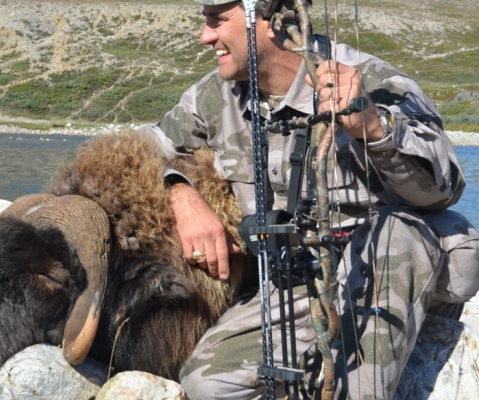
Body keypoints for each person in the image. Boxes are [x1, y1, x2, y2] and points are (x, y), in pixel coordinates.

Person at [138, 0, 479, 399]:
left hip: (398, 259)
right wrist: (180, 194)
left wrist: (371, 124)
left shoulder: (371, 79)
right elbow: (145, 147)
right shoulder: (216, 96)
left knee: (394, 232)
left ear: (268, 20)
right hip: (299, 278)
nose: (205, 36)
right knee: (206, 384)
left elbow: (445, 188)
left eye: (219, 20)